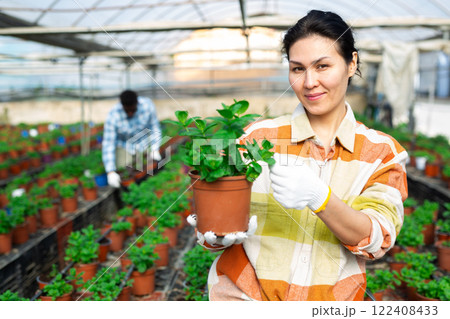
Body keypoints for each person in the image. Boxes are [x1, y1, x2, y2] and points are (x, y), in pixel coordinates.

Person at [189, 10, 408, 301]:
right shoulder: (256, 139)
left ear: (351, 63)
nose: (309, 82)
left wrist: (321, 199)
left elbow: (377, 239)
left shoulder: (382, 153)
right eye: (297, 69)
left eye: (322, 66)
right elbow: (220, 212)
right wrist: (214, 233)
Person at [102, 90, 162, 188]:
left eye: (133, 110)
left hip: (143, 143)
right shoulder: (113, 115)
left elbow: (154, 127)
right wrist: (110, 171)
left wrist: (155, 148)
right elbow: (109, 143)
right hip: (124, 145)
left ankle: (148, 184)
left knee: (150, 167)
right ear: (122, 106)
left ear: (137, 103)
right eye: (127, 111)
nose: (130, 114)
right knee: (124, 170)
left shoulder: (147, 106)